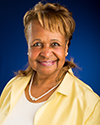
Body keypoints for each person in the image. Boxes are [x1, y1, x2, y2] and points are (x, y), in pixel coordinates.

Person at [0, 2, 100, 125]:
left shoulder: (90, 103)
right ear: (28, 47)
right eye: (37, 44)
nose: (46, 53)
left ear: (66, 47)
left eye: (55, 44)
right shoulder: (12, 87)